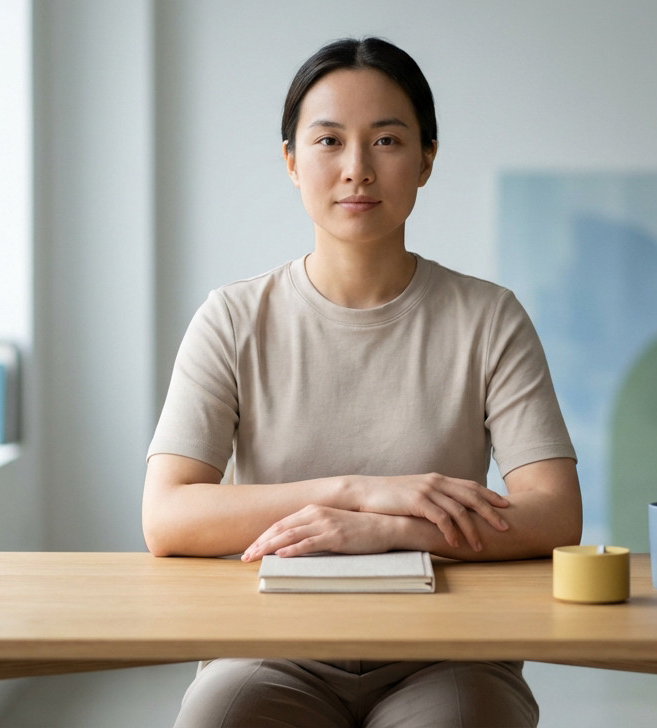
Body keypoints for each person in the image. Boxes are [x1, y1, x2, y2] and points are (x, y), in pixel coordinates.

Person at [142, 36, 581, 728]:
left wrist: (377, 528)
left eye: (385, 141)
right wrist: (349, 490)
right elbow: (166, 518)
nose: (356, 170)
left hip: (451, 650)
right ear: (290, 160)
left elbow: (555, 513)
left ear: (427, 159)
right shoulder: (231, 317)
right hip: (271, 643)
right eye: (327, 141)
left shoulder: (489, 317)